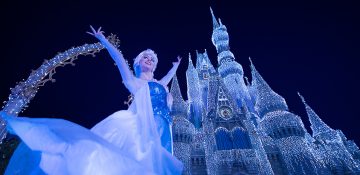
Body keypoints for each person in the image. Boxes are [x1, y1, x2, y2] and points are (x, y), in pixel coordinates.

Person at [1, 26, 183, 175]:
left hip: (163, 127)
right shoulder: (134, 82)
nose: (149, 59)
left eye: (152, 58)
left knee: (159, 165)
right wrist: (104, 40)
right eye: (145, 57)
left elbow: (166, 78)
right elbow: (119, 58)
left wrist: (175, 67)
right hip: (142, 127)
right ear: (138, 62)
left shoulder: (159, 83)